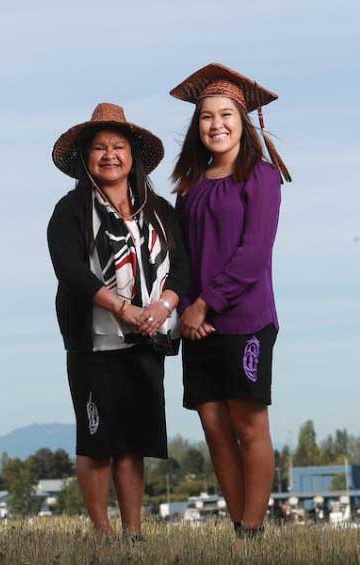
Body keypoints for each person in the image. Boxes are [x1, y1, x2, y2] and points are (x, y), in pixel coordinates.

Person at [47, 103, 189, 537]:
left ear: (133, 156)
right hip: (94, 341)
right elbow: (70, 271)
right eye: (100, 148)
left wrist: (162, 306)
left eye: (119, 146)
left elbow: (182, 266)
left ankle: (134, 532)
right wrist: (122, 308)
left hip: (148, 339)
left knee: (134, 442)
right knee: (96, 441)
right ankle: (103, 533)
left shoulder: (160, 210)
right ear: (86, 158)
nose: (110, 155)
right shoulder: (70, 210)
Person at [169, 63, 290, 539]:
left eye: (225, 115)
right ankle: (239, 525)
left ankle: (253, 527)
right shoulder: (190, 188)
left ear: (242, 121)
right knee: (214, 426)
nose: (215, 124)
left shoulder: (261, 178)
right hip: (196, 323)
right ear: (196, 127)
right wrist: (185, 310)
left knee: (247, 421)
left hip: (245, 319)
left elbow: (253, 252)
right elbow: (181, 258)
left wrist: (206, 304)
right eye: (205, 117)